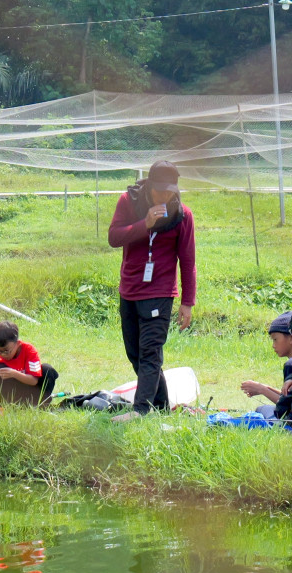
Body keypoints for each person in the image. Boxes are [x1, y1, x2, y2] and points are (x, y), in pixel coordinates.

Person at [107, 160, 196, 420]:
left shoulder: (182, 215)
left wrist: (187, 301)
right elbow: (114, 238)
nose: (165, 196)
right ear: (149, 187)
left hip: (160, 292)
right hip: (130, 289)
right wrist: (143, 224)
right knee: (135, 353)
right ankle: (161, 408)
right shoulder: (128, 201)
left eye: (170, 191)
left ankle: (141, 410)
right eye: (160, 190)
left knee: (150, 352)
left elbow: (188, 261)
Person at [0, 320, 59, 406]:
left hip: (32, 393)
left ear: (18, 343)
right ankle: (9, 406)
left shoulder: (29, 350)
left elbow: (34, 381)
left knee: (47, 369)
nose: (2, 354)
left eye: (6, 351)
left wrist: (14, 374)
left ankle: (42, 404)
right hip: (12, 398)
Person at [241, 311, 292, 419]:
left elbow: (286, 407)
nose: (273, 345)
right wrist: (265, 387)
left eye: (275, 339)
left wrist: (262, 390)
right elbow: (289, 397)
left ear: (291, 338)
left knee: (261, 409)